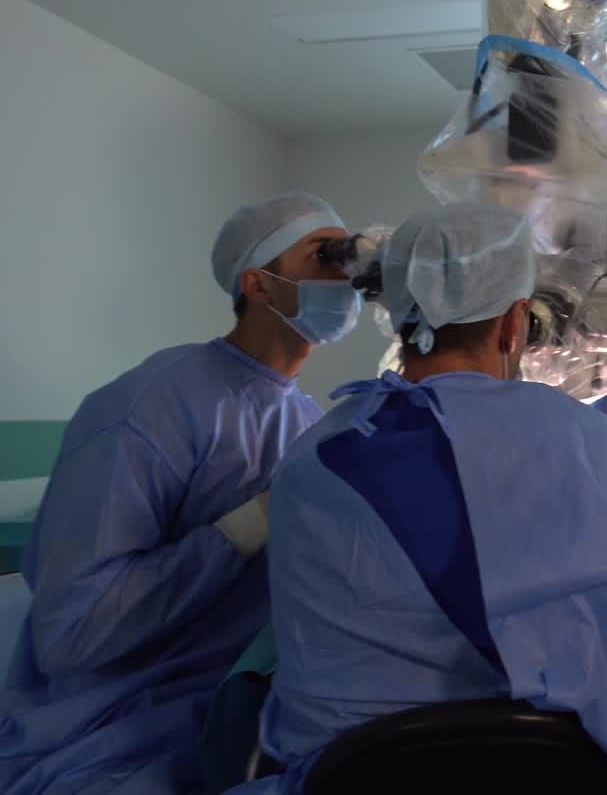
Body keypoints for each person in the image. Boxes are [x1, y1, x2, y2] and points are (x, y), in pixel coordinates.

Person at [238, 203, 607, 795]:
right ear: (515, 325)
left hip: (362, 776)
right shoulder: (587, 439)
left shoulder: (312, 461)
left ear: (399, 319)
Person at [1, 192, 360, 795]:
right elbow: (74, 631)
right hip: (115, 724)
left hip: (234, 710)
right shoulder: (149, 405)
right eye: (325, 255)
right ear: (258, 284)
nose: (346, 275)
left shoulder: (306, 420)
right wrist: (251, 525)